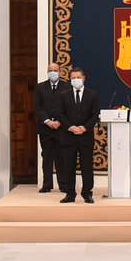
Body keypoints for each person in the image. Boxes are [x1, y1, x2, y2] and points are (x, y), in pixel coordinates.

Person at [56, 68, 99, 204]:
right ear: (70, 79)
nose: (76, 80)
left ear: (84, 78)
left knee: (87, 166)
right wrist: (71, 127)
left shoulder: (92, 95)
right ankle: (70, 194)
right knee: (68, 166)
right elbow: (60, 114)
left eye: (78, 77)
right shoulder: (63, 95)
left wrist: (85, 127)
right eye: (73, 78)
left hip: (86, 136)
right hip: (69, 136)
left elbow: (95, 114)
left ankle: (87, 193)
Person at [32, 63, 65, 193]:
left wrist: (59, 121)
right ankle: (47, 185)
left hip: (60, 128)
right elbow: (37, 106)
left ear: (60, 72)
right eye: (50, 70)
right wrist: (47, 121)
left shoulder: (66, 87)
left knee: (61, 157)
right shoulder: (40, 87)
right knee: (46, 156)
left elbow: (67, 107)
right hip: (45, 128)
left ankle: (63, 184)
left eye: (55, 70)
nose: (52, 73)